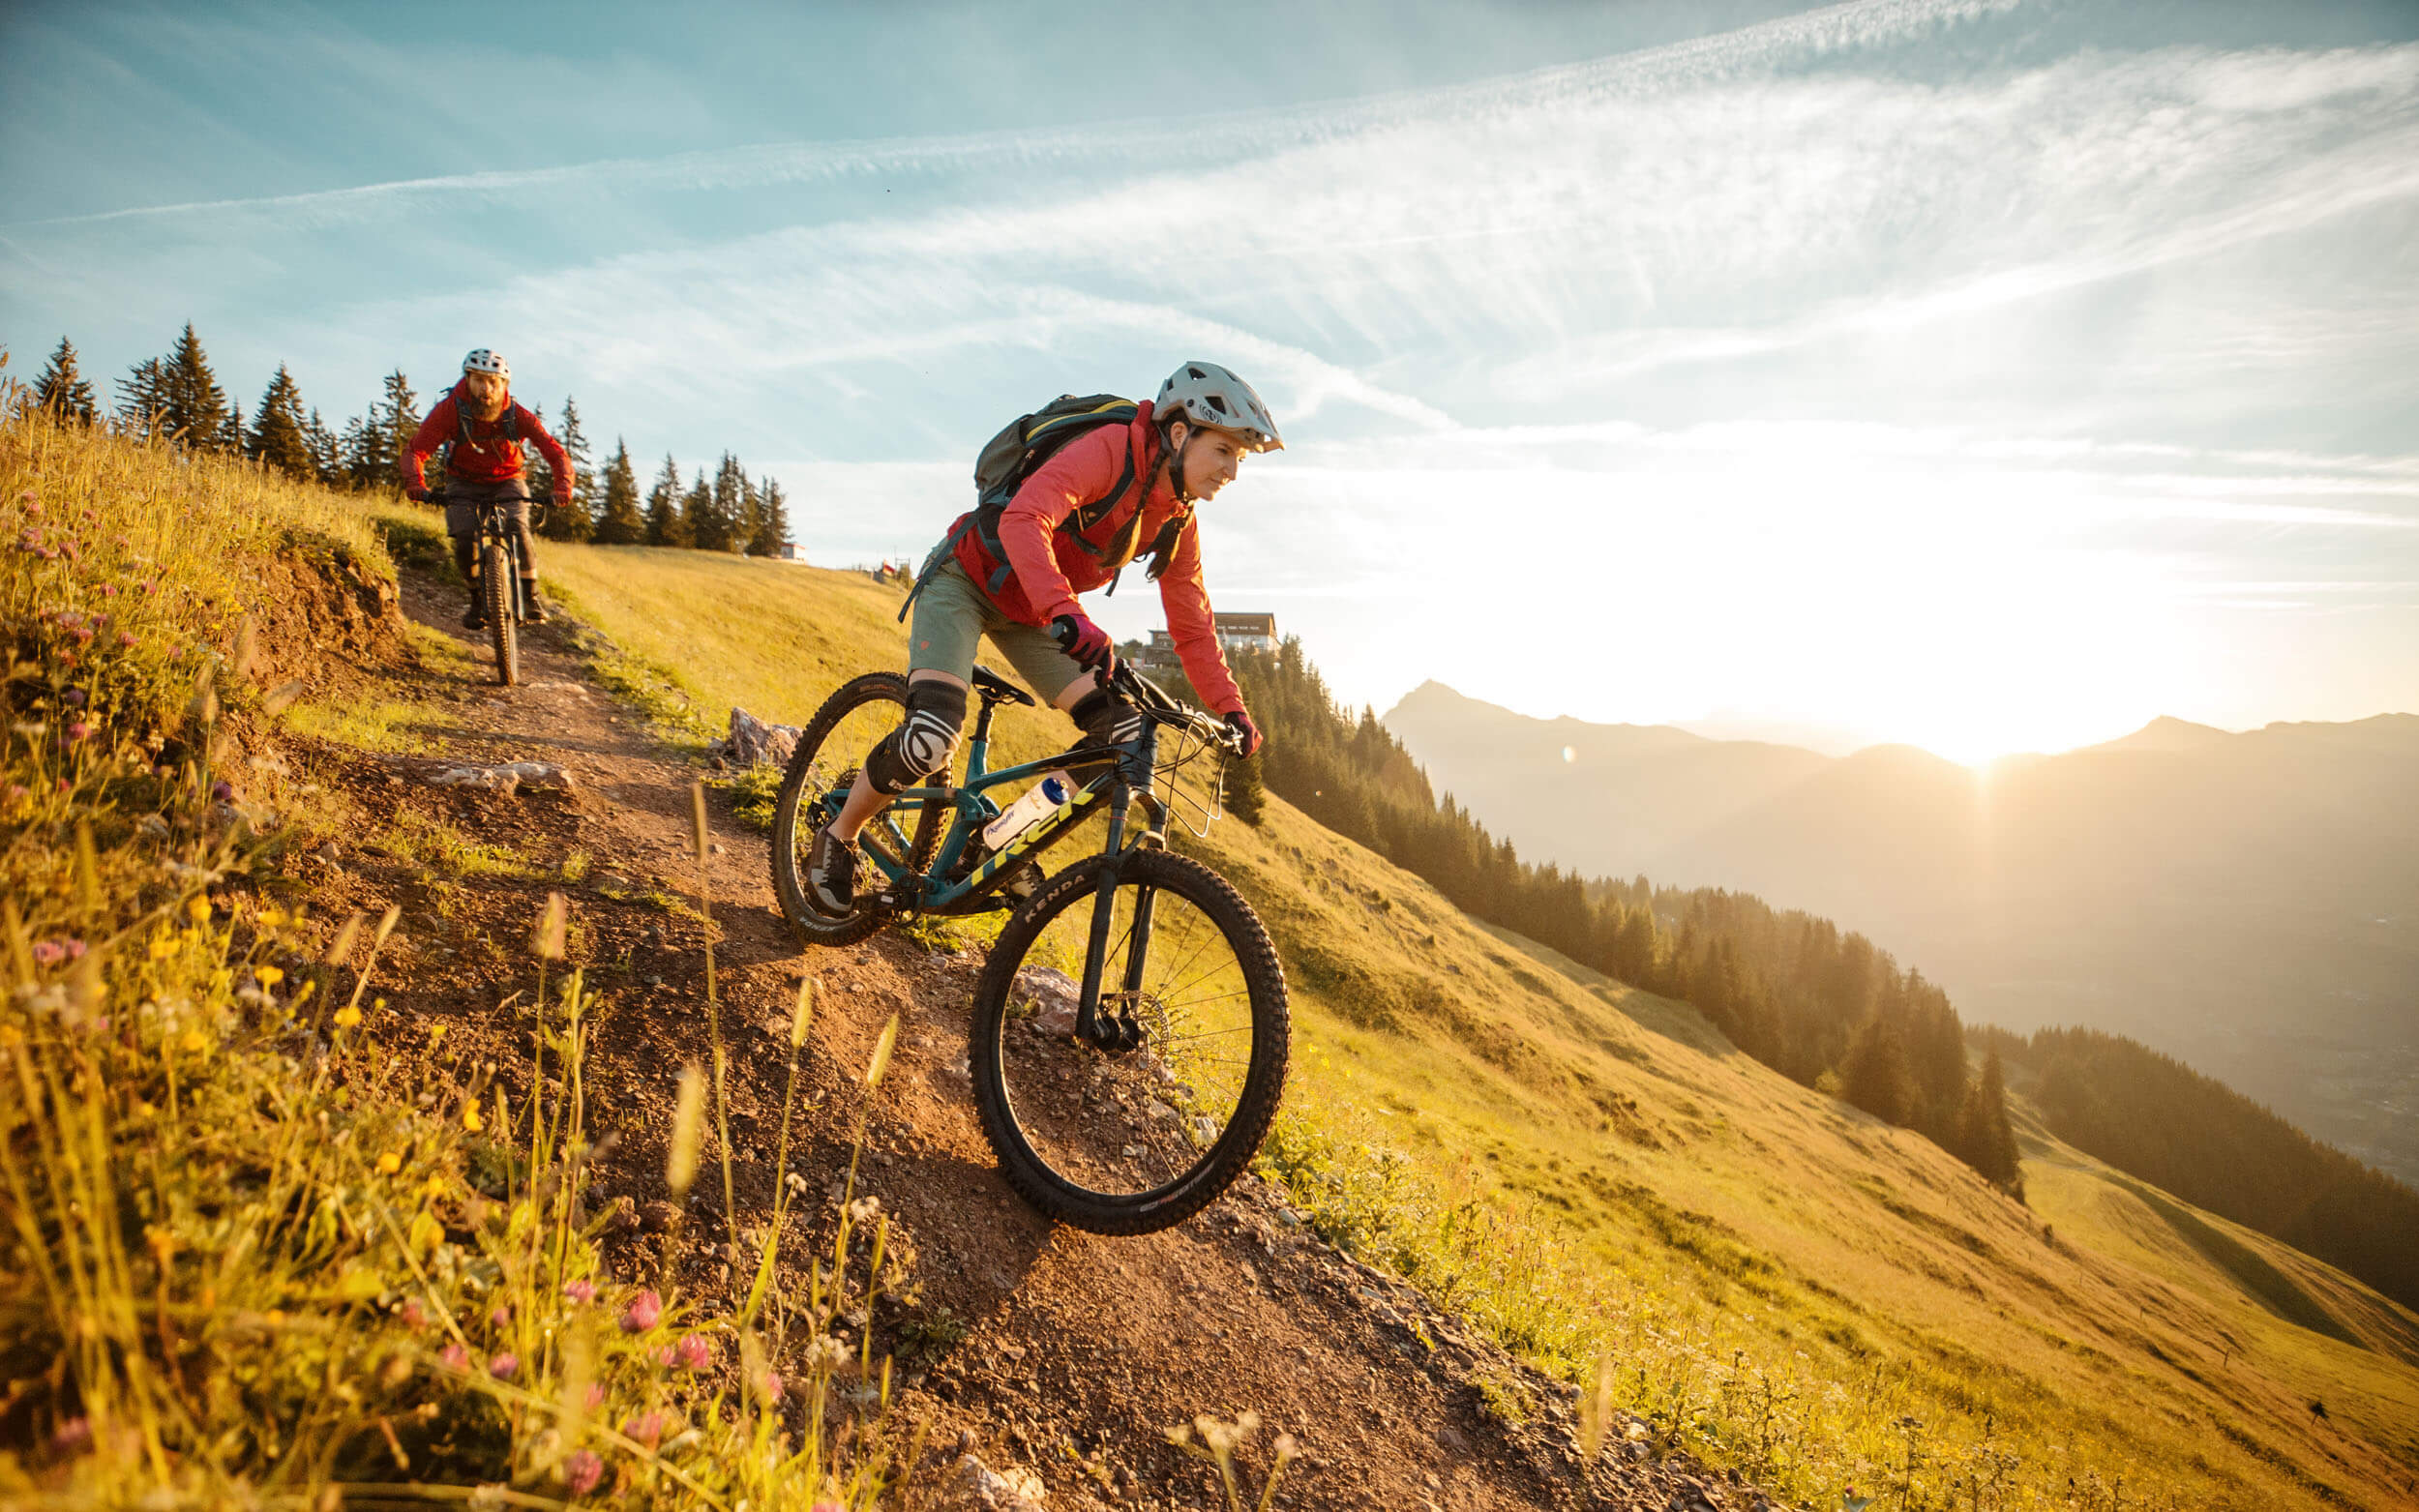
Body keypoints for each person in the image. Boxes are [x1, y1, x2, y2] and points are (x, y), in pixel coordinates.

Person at [804, 361, 1278, 913]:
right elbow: (1024, 519)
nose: (1232, 471)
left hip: (1032, 612)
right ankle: (838, 834)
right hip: (968, 579)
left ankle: (989, 845)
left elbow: (1193, 627)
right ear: (1179, 433)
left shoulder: (1176, 519)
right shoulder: (1108, 450)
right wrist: (1067, 612)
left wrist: (1231, 709)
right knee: (933, 735)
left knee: (1120, 733)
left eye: (1239, 459)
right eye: (1224, 451)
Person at [401, 349, 574, 628]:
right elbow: (416, 450)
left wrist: (563, 487)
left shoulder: (516, 415)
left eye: (494, 382)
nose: (487, 388)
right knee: (465, 535)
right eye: (479, 380)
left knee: (517, 526)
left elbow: (555, 452)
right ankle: (477, 599)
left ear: (505, 385)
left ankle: (530, 596)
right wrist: (415, 484)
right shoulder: (450, 410)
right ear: (467, 380)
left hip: (509, 479)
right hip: (463, 481)